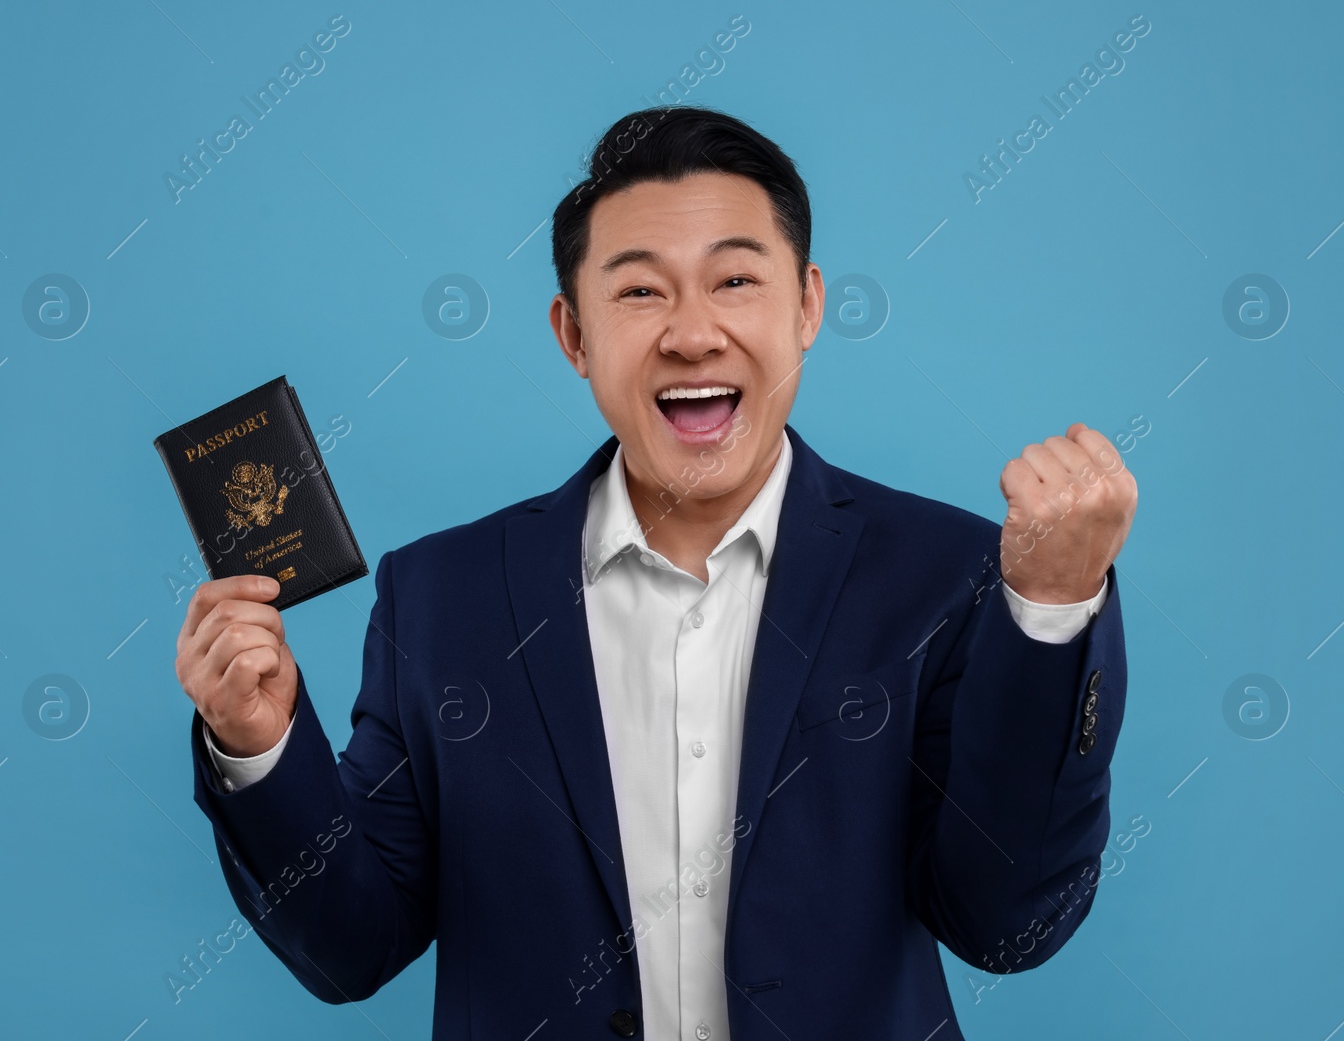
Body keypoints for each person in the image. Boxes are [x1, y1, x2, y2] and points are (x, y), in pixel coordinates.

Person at [175, 105, 1136, 1040]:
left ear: (806, 307)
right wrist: (258, 747)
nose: (691, 333)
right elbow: (351, 947)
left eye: (734, 282)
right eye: (639, 291)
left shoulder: (945, 574)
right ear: (574, 334)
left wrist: (1051, 612)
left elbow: (1005, 926)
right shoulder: (440, 597)